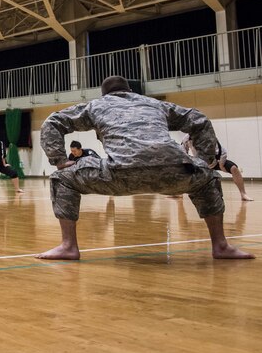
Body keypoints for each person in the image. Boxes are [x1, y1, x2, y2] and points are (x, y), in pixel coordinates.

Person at [38, 75, 254, 260]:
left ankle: (68, 247)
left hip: (120, 174)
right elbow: (199, 119)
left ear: (104, 94)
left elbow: (53, 122)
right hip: (175, 172)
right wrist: (205, 161)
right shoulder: (154, 103)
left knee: (62, 177)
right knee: (208, 178)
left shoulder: (95, 106)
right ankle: (221, 245)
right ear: (130, 91)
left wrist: (58, 159)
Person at [183, 136, 252, 202]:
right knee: (182, 170)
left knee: (234, 168)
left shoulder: (208, 135)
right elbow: (183, 152)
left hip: (215, 161)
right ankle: (179, 193)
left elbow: (222, 151)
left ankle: (243, 194)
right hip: (200, 163)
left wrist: (221, 164)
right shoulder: (186, 138)